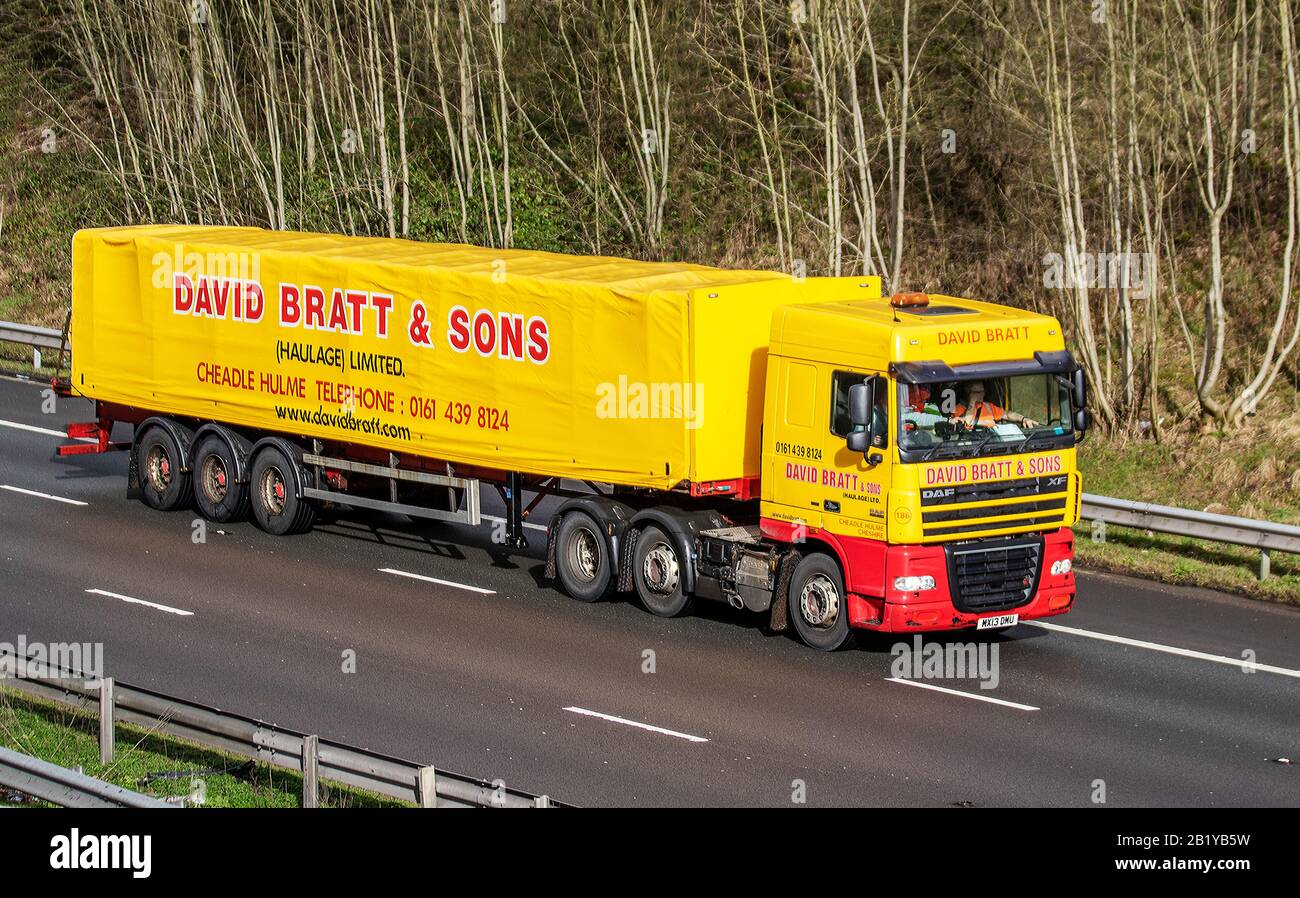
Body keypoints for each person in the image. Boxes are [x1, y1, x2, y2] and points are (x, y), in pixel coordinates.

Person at [951, 381, 1038, 429]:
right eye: (978, 392)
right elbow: (968, 423)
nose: (982, 394)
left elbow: (1007, 414)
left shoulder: (988, 406)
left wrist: (1023, 418)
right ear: (968, 393)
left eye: (983, 391)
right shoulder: (958, 409)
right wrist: (972, 402)